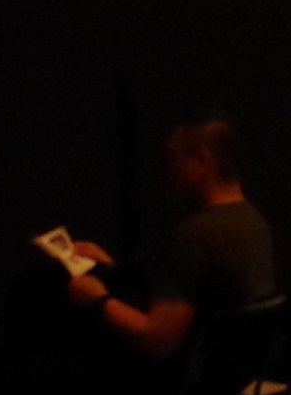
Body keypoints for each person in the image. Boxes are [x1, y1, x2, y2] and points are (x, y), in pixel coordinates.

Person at [63, 116, 278, 360]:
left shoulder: (194, 235)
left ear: (202, 161)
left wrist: (98, 300)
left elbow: (159, 341)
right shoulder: (254, 221)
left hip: (191, 378)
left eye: (174, 158)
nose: (167, 170)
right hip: (237, 368)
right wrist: (112, 270)